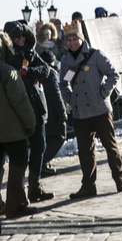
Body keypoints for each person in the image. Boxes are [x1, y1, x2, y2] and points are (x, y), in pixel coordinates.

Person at [59, 20, 122, 199]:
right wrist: (70, 99)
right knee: (85, 152)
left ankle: (118, 178)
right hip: (80, 113)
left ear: (81, 39)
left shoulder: (95, 55)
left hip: (100, 109)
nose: (72, 43)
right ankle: (88, 185)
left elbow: (113, 74)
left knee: (110, 147)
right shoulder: (66, 61)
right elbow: (63, 83)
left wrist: (103, 93)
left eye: (75, 39)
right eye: (69, 40)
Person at [2, 21, 53, 203]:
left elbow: (45, 69)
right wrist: (26, 74)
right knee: (20, 155)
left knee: (39, 147)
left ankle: (35, 186)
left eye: (23, 36)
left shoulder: (30, 53)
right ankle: (19, 195)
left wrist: (28, 71)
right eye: (17, 37)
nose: (21, 39)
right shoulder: (8, 57)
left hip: (36, 106)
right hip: (18, 112)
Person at [0, 31, 36, 219]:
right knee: (19, 161)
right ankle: (15, 204)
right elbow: (20, 102)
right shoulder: (7, 72)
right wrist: (31, 124)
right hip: (11, 130)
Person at [39, 50, 67, 176]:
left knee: (49, 138)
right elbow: (55, 94)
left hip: (44, 112)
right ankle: (42, 162)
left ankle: (43, 163)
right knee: (59, 137)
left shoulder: (40, 72)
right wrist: (62, 112)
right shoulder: (51, 73)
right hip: (53, 112)